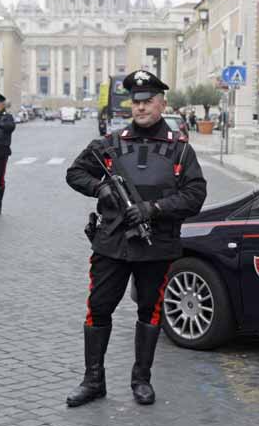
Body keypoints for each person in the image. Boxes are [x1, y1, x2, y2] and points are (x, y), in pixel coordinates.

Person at [65, 69, 207, 408]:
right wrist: (100, 188)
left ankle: (141, 379)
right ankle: (93, 380)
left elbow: (195, 195)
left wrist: (153, 208)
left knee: (149, 311)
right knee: (98, 309)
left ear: (162, 104)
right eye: (136, 102)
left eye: (148, 102)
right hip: (112, 243)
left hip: (155, 244)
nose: (141, 108)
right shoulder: (110, 144)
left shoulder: (180, 151)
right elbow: (75, 173)